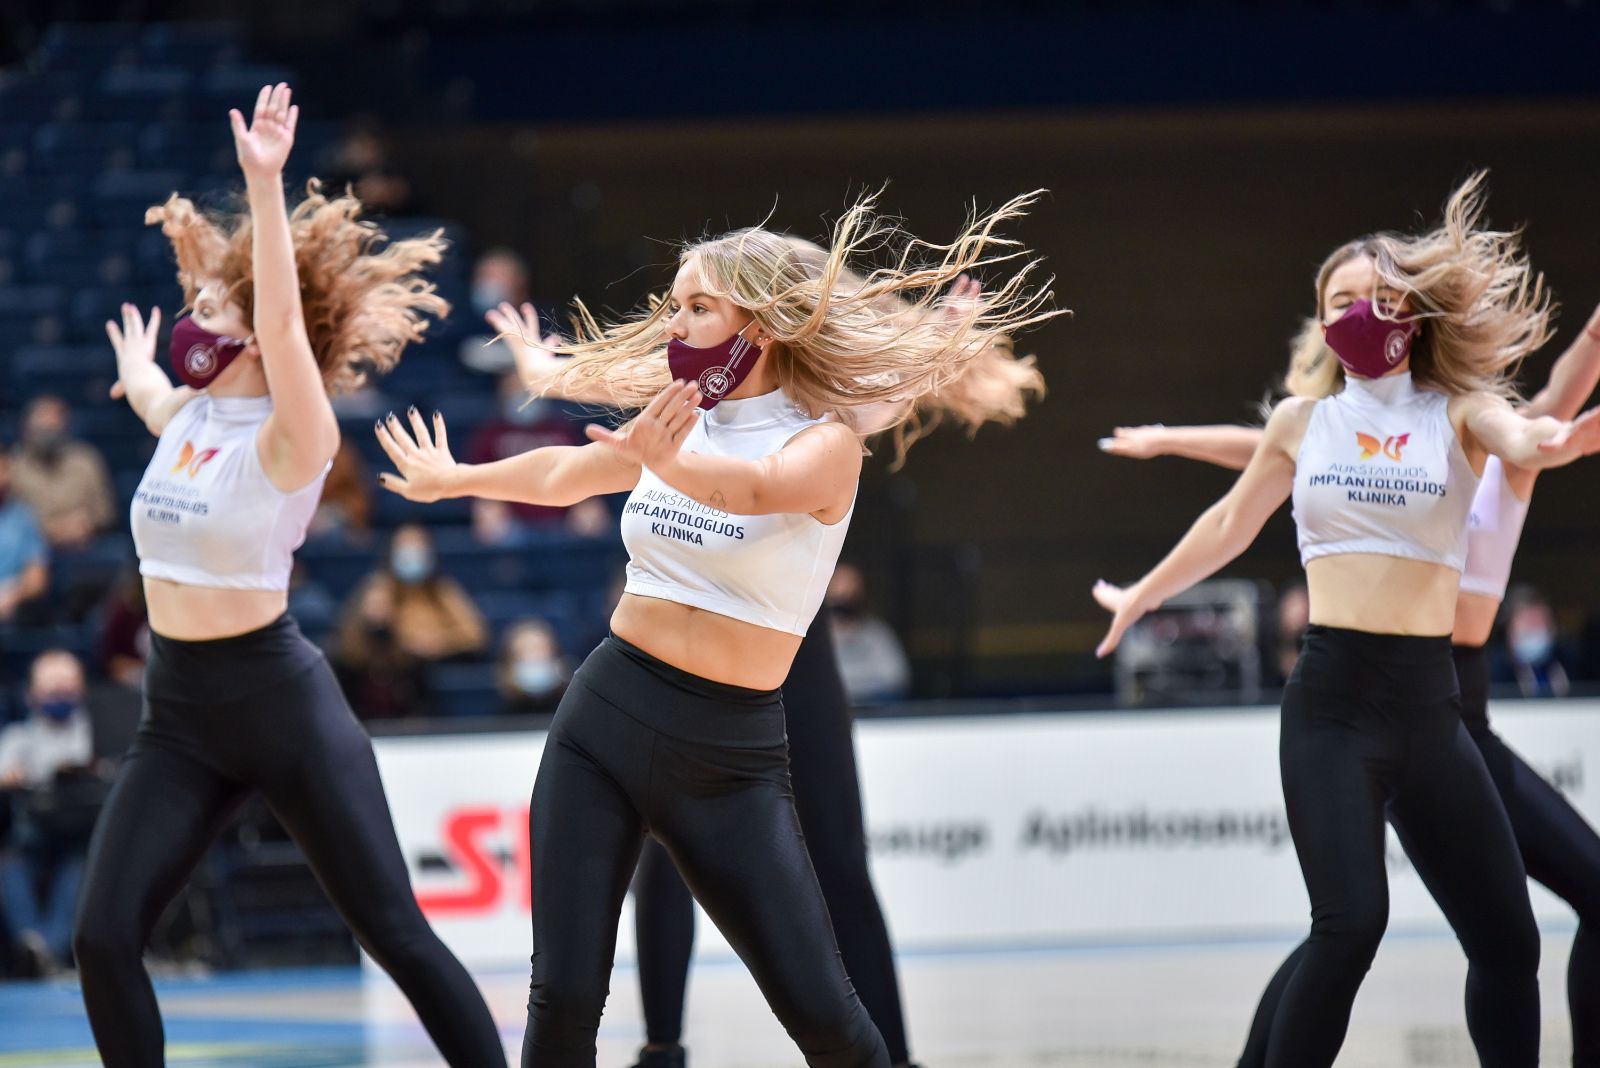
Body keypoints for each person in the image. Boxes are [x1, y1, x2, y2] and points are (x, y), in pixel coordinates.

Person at [377, 188, 1059, 1067]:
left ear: (760, 325)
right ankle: (661, 1044)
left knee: (828, 1022)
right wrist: (456, 480)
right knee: (566, 997)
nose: (675, 323)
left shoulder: (826, 441)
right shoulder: (683, 415)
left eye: (698, 306)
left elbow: (753, 490)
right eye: (675, 305)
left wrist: (665, 458)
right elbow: (568, 472)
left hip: (729, 756)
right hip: (605, 717)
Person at [1093, 173, 1600, 1067]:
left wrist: (1552, 440)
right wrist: (1144, 593)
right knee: (1350, 925)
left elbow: (1524, 435)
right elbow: (1228, 523)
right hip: (1332, 707)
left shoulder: (1459, 413)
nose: (1362, 312)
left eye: (1380, 297)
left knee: (1508, 941)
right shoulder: (1304, 422)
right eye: (1341, 301)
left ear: (1413, 314)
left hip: (1431, 709)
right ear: (1321, 321)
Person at [71, 85, 505, 1068]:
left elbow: (276, 312)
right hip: (178, 715)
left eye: (208, 309)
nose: (191, 322)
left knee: (396, 935)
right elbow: (152, 392)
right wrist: (139, 370)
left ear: (264, 337)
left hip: (280, 706)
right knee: (103, 939)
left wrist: (263, 188)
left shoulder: (291, 437)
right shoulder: (186, 416)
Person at [0, 649, 96, 976]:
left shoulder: (95, 733)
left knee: (82, 868)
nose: (60, 695)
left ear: (81, 689)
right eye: (51, 688)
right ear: (32, 694)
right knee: (9, 866)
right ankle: (32, 944)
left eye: (67, 687)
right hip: (34, 833)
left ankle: (45, 951)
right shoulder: (19, 737)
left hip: (82, 834)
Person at [346, 523, 489, 662]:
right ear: (392, 551)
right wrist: (376, 627)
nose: (412, 552)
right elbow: (350, 647)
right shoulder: (378, 588)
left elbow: (476, 635)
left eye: (418, 545)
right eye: (405, 545)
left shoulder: (442, 588)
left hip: (435, 670)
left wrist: (440, 642)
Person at [9, 395, 118, 550]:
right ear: (25, 429)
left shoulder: (86, 460)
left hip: (84, 546)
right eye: (42, 430)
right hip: (27, 549)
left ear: (66, 428)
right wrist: (49, 529)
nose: (48, 436)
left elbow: (106, 512)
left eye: (54, 429)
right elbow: (6, 518)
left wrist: (87, 524)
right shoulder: (11, 465)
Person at [825, 562, 911, 702]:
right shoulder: (812, 637)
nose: (844, 593)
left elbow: (895, 676)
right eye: (837, 583)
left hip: (874, 710)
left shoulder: (877, 634)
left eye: (851, 585)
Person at [0, 449, 50, 624]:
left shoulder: (24, 517)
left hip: (12, 608)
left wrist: (11, 595)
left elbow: (37, 579)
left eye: (4, 469)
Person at [498, 618, 571, 716]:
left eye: (542, 649)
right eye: (527, 650)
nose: (536, 656)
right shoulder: (499, 712)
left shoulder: (571, 706)